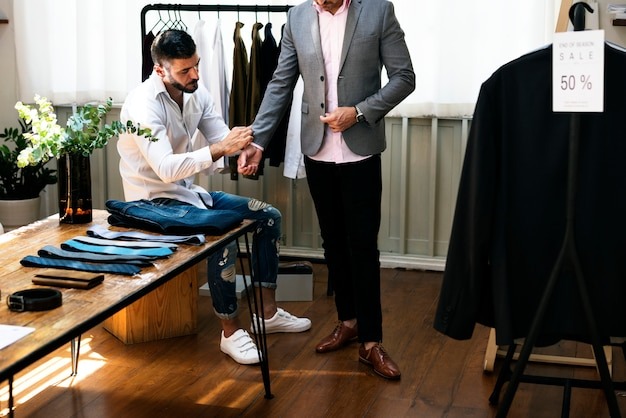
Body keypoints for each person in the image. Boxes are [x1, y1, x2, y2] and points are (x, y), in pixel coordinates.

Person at [238, 0, 415, 380]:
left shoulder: (379, 11)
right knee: (332, 242)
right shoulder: (297, 16)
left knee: (362, 246)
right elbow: (280, 84)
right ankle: (348, 322)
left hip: (361, 149)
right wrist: (259, 140)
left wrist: (360, 111)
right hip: (316, 149)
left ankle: (371, 342)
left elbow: (404, 77)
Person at [118, 29, 311, 365]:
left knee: (269, 217)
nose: (195, 74)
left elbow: (221, 137)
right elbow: (166, 168)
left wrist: (243, 151)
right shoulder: (141, 105)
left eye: (196, 65)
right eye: (185, 70)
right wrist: (222, 147)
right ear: (160, 70)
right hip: (151, 203)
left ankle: (266, 314)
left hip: (189, 195)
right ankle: (230, 332)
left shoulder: (195, 91)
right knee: (224, 232)